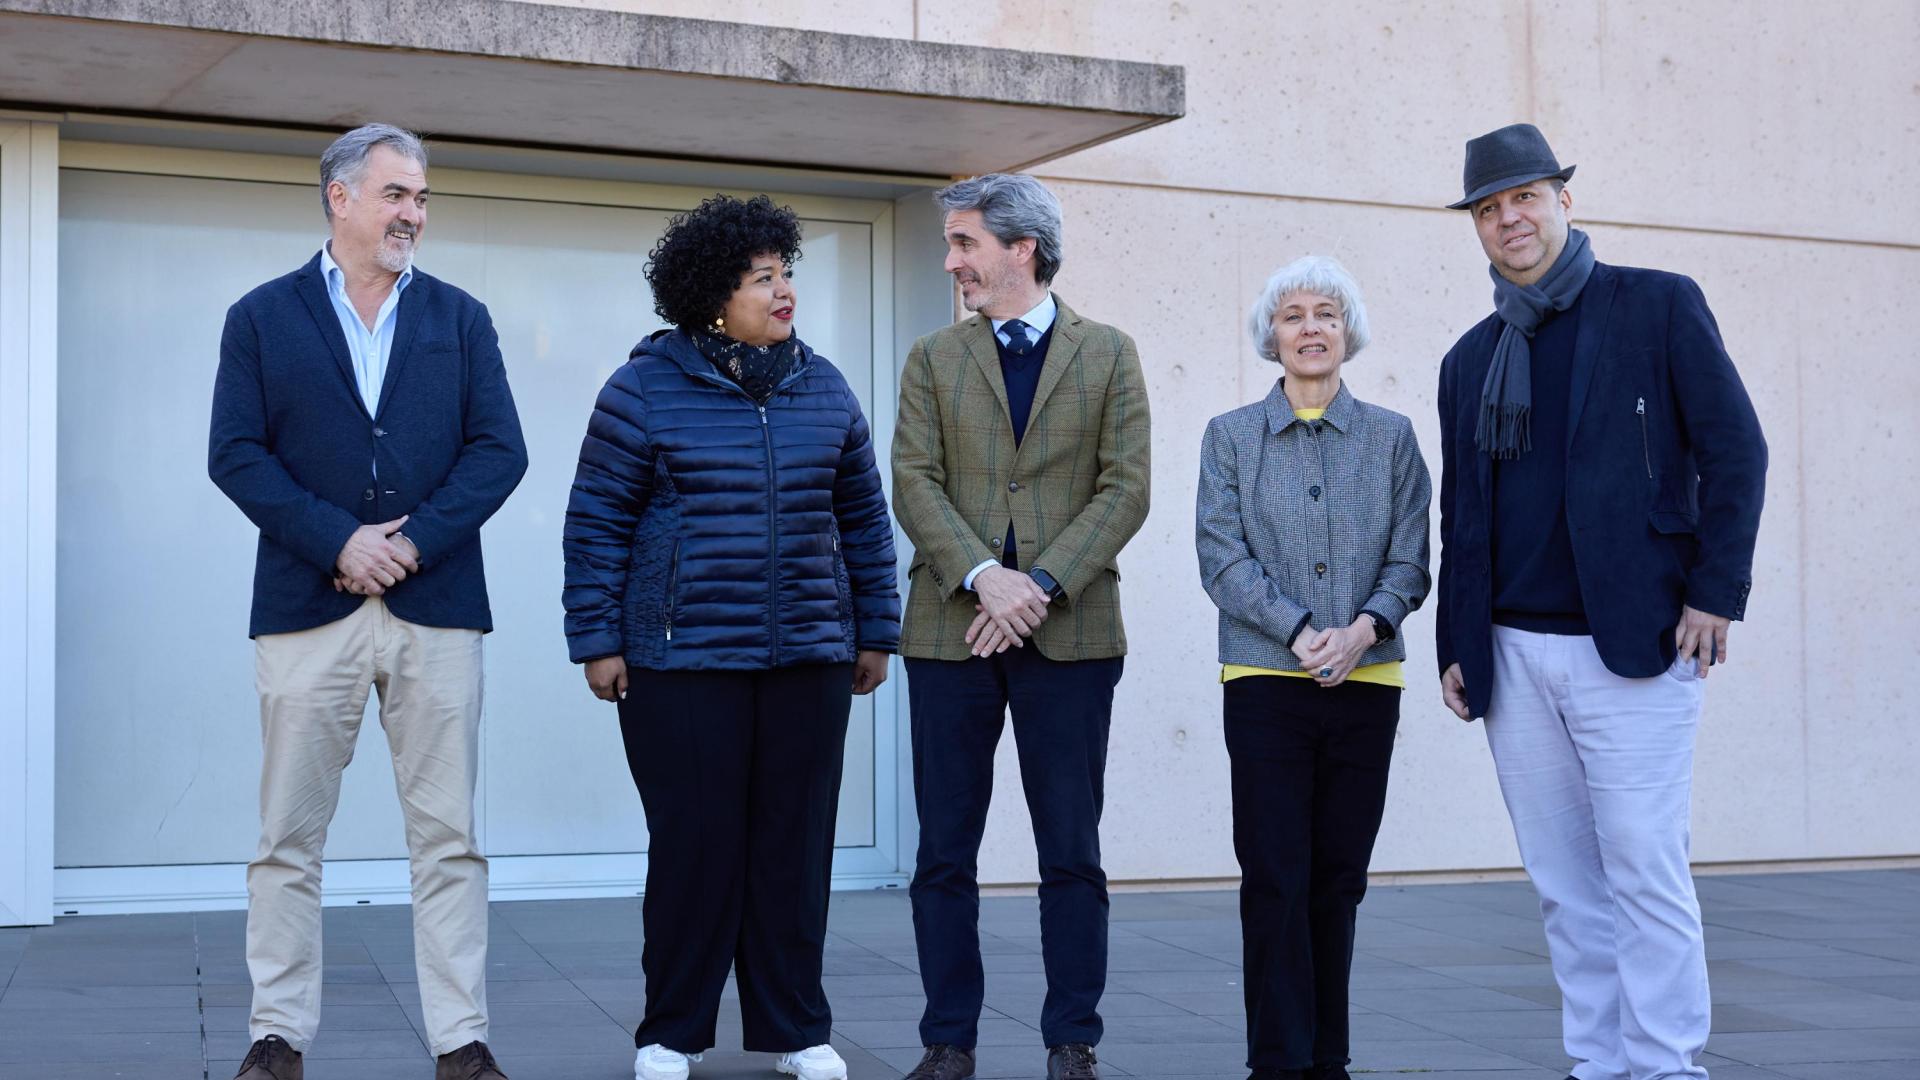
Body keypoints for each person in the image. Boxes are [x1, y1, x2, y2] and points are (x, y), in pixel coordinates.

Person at [1434, 124, 1767, 1080]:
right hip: (1512, 654)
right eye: (1490, 210)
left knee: (1644, 869)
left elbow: (1735, 451)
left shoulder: (1656, 307)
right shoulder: (1470, 359)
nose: (1509, 220)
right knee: (1564, 887)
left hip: (1638, 644)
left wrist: (1717, 593)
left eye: (1523, 199)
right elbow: (1466, 517)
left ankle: (1665, 1064)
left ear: (1563, 201)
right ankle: (1596, 1062)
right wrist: (1462, 640)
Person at [209, 123, 527, 1080]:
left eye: (421, 198)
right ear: (340, 197)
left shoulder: (463, 319)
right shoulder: (261, 317)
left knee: (450, 841)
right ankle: (277, 1036)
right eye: (396, 194)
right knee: (286, 838)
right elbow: (235, 454)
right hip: (307, 610)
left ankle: (461, 1042)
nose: (413, 215)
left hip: (438, 612)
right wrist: (336, 540)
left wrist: (412, 543)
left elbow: (500, 451)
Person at [561, 193, 900, 1080]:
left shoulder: (823, 384)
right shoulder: (642, 388)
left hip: (809, 658)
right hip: (682, 663)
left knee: (793, 852)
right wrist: (599, 640)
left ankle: (795, 1031)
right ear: (714, 294)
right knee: (695, 849)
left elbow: (864, 520)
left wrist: (875, 632)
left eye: (787, 273)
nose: (784, 291)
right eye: (764, 278)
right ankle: (670, 1033)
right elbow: (596, 522)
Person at [891, 173, 1151, 1080]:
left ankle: (1071, 1039)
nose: (954, 262)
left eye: (965, 243)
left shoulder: (1109, 352)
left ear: (1021, 249)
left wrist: (1035, 585)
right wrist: (985, 579)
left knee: (1071, 850)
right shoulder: (931, 357)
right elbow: (913, 481)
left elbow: (1127, 489)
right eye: (953, 245)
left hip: (1071, 636)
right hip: (948, 633)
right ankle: (947, 1040)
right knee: (942, 852)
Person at [1195, 255, 1431, 1080]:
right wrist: (1300, 633)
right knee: (1274, 877)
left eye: (1325, 313)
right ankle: (1276, 1061)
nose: (1310, 328)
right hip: (1263, 683)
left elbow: (1411, 561)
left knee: (1339, 880)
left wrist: (1364, 630)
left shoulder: (1393, 438)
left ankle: (1327, 1059)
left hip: (1368, 687)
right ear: (1272, 335)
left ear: (1347, 331)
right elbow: (1222, 558)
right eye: (1293, 315)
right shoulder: (1229, 437)